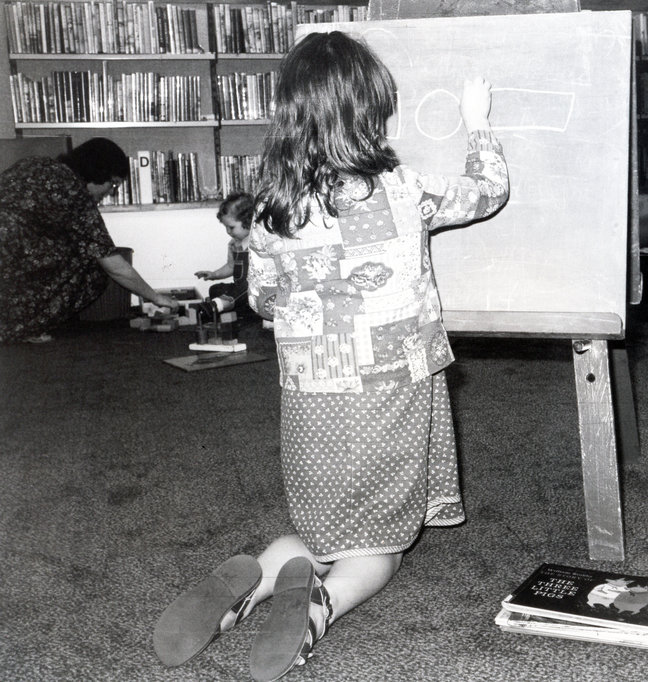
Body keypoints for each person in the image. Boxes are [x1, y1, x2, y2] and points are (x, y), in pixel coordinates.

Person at [152, 31, 509, 682]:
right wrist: (478, 125)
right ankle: (326, 603)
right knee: (381, 548)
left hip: (310, 396)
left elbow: (260, 301)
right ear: (369, 109)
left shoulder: (268, 211)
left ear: (288, 112)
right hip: (390, 387)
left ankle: (255, 579)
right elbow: (489, 192)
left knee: (321, 536)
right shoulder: (400, 190)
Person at [0, 137, 178, 343]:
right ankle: (19, 327)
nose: (112, 192)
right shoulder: (75, 192)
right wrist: (155, 297)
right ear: (99, 171)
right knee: (94, 269)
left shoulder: (35, 163)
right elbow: (112, 264)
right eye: (113, 183)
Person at [194, 191, 254, 313]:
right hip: (238, 290)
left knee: (248, 288)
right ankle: (223, 305)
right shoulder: (233, 244)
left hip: (253, 290)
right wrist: (214, 275)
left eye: (231, 227)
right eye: (225, 227)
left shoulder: (257, 244)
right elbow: (231, 267)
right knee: (214, 289)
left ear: (248, 221)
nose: (228, 231)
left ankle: (218, 306)